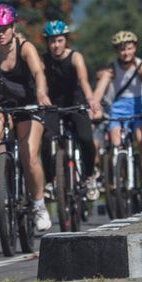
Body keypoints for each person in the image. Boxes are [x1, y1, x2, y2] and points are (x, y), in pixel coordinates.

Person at [0, 4, 52, 232]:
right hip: (3, 102)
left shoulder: (25, 47)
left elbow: (38, 72)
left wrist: (41, 93)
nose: (1, 33)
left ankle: (38, 204)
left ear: (13, 27)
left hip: (29, 103)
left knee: (29, 154)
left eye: (5, 28)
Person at [92, 30, 142, 196]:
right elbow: (99, 91)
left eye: (129, 48)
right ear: (117, 51)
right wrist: (93, 107)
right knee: (115, 142)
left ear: (135, 48)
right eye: (122, 49)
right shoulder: (111, 70)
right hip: (119, 107)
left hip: (140, 105)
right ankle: (118, 178)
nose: (126, 53)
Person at [39, 20, 101, 202]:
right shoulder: (44, 60)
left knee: (86, 139)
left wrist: (90, 99)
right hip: (53, 106)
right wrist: (41, 97)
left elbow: (83, 80)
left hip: (76, 104)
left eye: (59, 40)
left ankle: (90, 177)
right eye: (51, 41)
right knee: (46, 139)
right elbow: (39, 80)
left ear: (65, 40)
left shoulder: (75, 57)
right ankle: (50, 181)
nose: (56, 45)